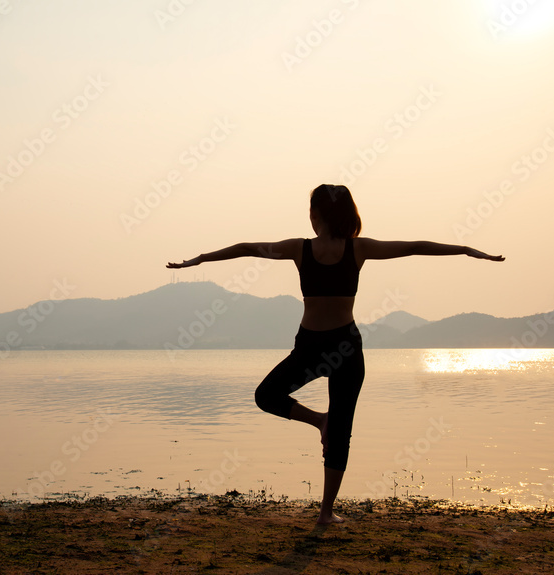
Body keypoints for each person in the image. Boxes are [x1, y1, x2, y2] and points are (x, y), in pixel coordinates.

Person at [166, 184, 504, 524]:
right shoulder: (329, 249)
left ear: (315, 215)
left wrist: (463, 250)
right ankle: (320, 423)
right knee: (268, 396)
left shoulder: (328, 248)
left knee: (336, 428)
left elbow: (247, 248)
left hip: (338, 348)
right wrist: (465, 249)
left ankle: (326, 512)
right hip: (324, 346)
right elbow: (414, 246)